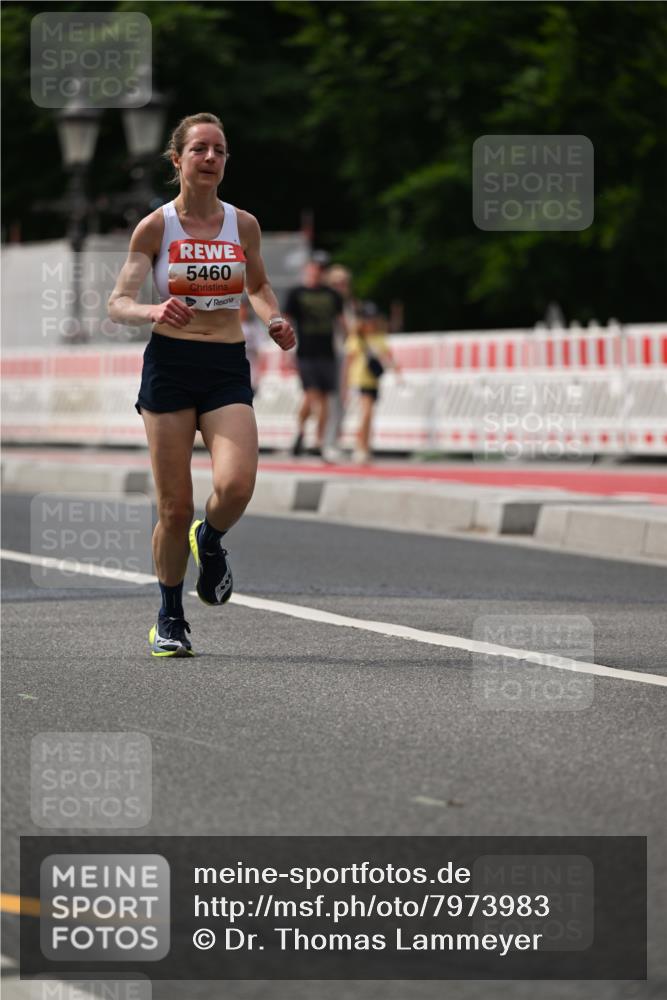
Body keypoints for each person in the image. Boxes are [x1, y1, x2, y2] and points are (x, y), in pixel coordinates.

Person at [108, 112, 295, 657]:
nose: (211, 158)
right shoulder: (155, 226)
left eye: (219, 150)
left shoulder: (244, 224)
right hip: (169, 365)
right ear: (178, 160)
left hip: (225, 366)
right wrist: (152, 309)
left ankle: (209, 540)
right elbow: (116, 303)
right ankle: (169, 615)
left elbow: (258, 285)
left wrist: (272, 317)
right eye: (200, 150)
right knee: (173, 506)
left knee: (236, 486)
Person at [284, 257, 346, 457]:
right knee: (312, 395)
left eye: (321, 269)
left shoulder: (332, 295)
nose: (317, 272)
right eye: (314, 268)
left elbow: (341, 320)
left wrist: (348, 340)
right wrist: (285, 351)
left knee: (325, 398)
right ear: (307, 269)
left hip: (327, 352)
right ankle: (301, 430)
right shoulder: (297, 293)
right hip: (306, 353)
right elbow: (286, 320)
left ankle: (319, 441)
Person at [342, 301, 400, 464]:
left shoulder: (379, 337)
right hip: (360, 379)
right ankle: (361, 446)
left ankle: (364, 445)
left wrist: (397, 371)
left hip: (373, 381)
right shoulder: (356, 338)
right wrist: (345, 384)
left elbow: (387, 356)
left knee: (369, 415)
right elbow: (349, 361)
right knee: (366, 413)